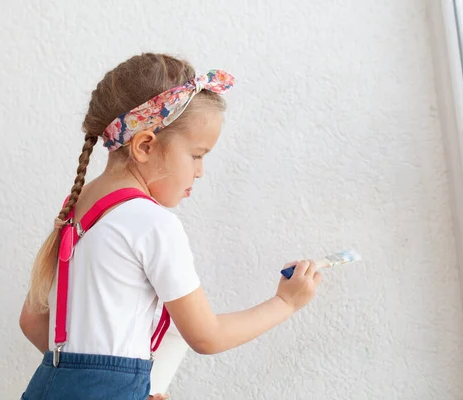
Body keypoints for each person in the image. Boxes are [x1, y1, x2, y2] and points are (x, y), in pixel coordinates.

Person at [19, 53, 322, 399]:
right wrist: (285, 303)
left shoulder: (78, 204)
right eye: (197, 155)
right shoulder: (153, 223)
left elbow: (32, 321)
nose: (200, 171)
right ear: (145, 145)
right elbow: (207, 336)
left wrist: (93, 379)